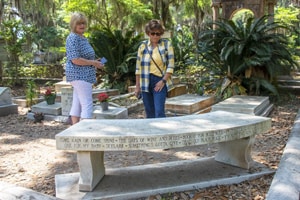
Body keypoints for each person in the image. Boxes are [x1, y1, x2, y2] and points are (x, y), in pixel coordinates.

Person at [65, 12, 105, 125]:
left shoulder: (82, 38)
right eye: (79, 24)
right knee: (87, 104)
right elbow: (75, 59)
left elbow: (85, 58)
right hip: (79, 75)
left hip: (84, 75)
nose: (82, 26)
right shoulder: (73, 38)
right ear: (73, 24)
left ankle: (75, 129)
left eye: (83, 23)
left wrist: (97, 62)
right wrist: (93, 63)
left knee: (76, 103)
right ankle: (85, 131)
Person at [135, 19, 174, 118]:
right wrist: (137, 87)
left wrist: (163, 81)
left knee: (159, 111)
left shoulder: (166, 45)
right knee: (149, 112)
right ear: (148, 33)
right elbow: (138, 69)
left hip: (159, 81)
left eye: (158, 34)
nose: (155, 36)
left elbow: (171, 65)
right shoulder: (142, 47)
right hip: (145, 81)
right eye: (153, 33)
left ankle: (162, 133)